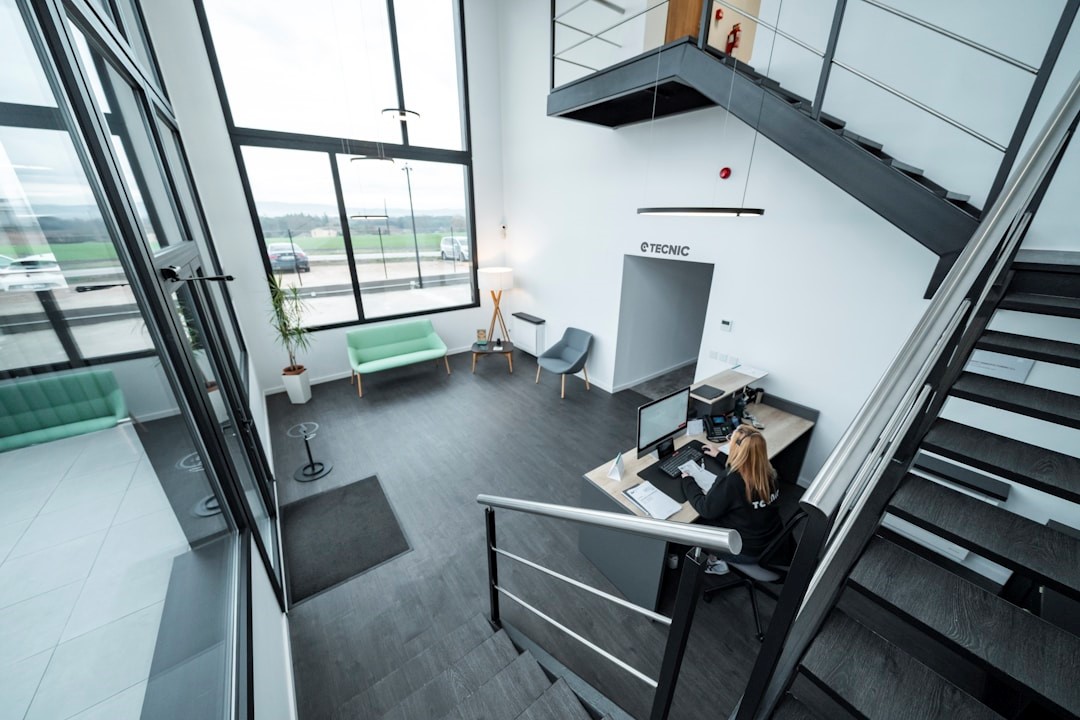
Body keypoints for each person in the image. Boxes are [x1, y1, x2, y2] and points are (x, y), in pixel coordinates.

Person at [681, 424, 783, 574]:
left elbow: (705, 509)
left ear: (736, 448)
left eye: (730, 439)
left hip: (744, 550)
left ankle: (715, 562)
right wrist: (720, 456)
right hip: (772, 542)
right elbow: (747, 464)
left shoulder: (732, 480)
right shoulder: (768, 471)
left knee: (696, 523)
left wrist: (687, 481)